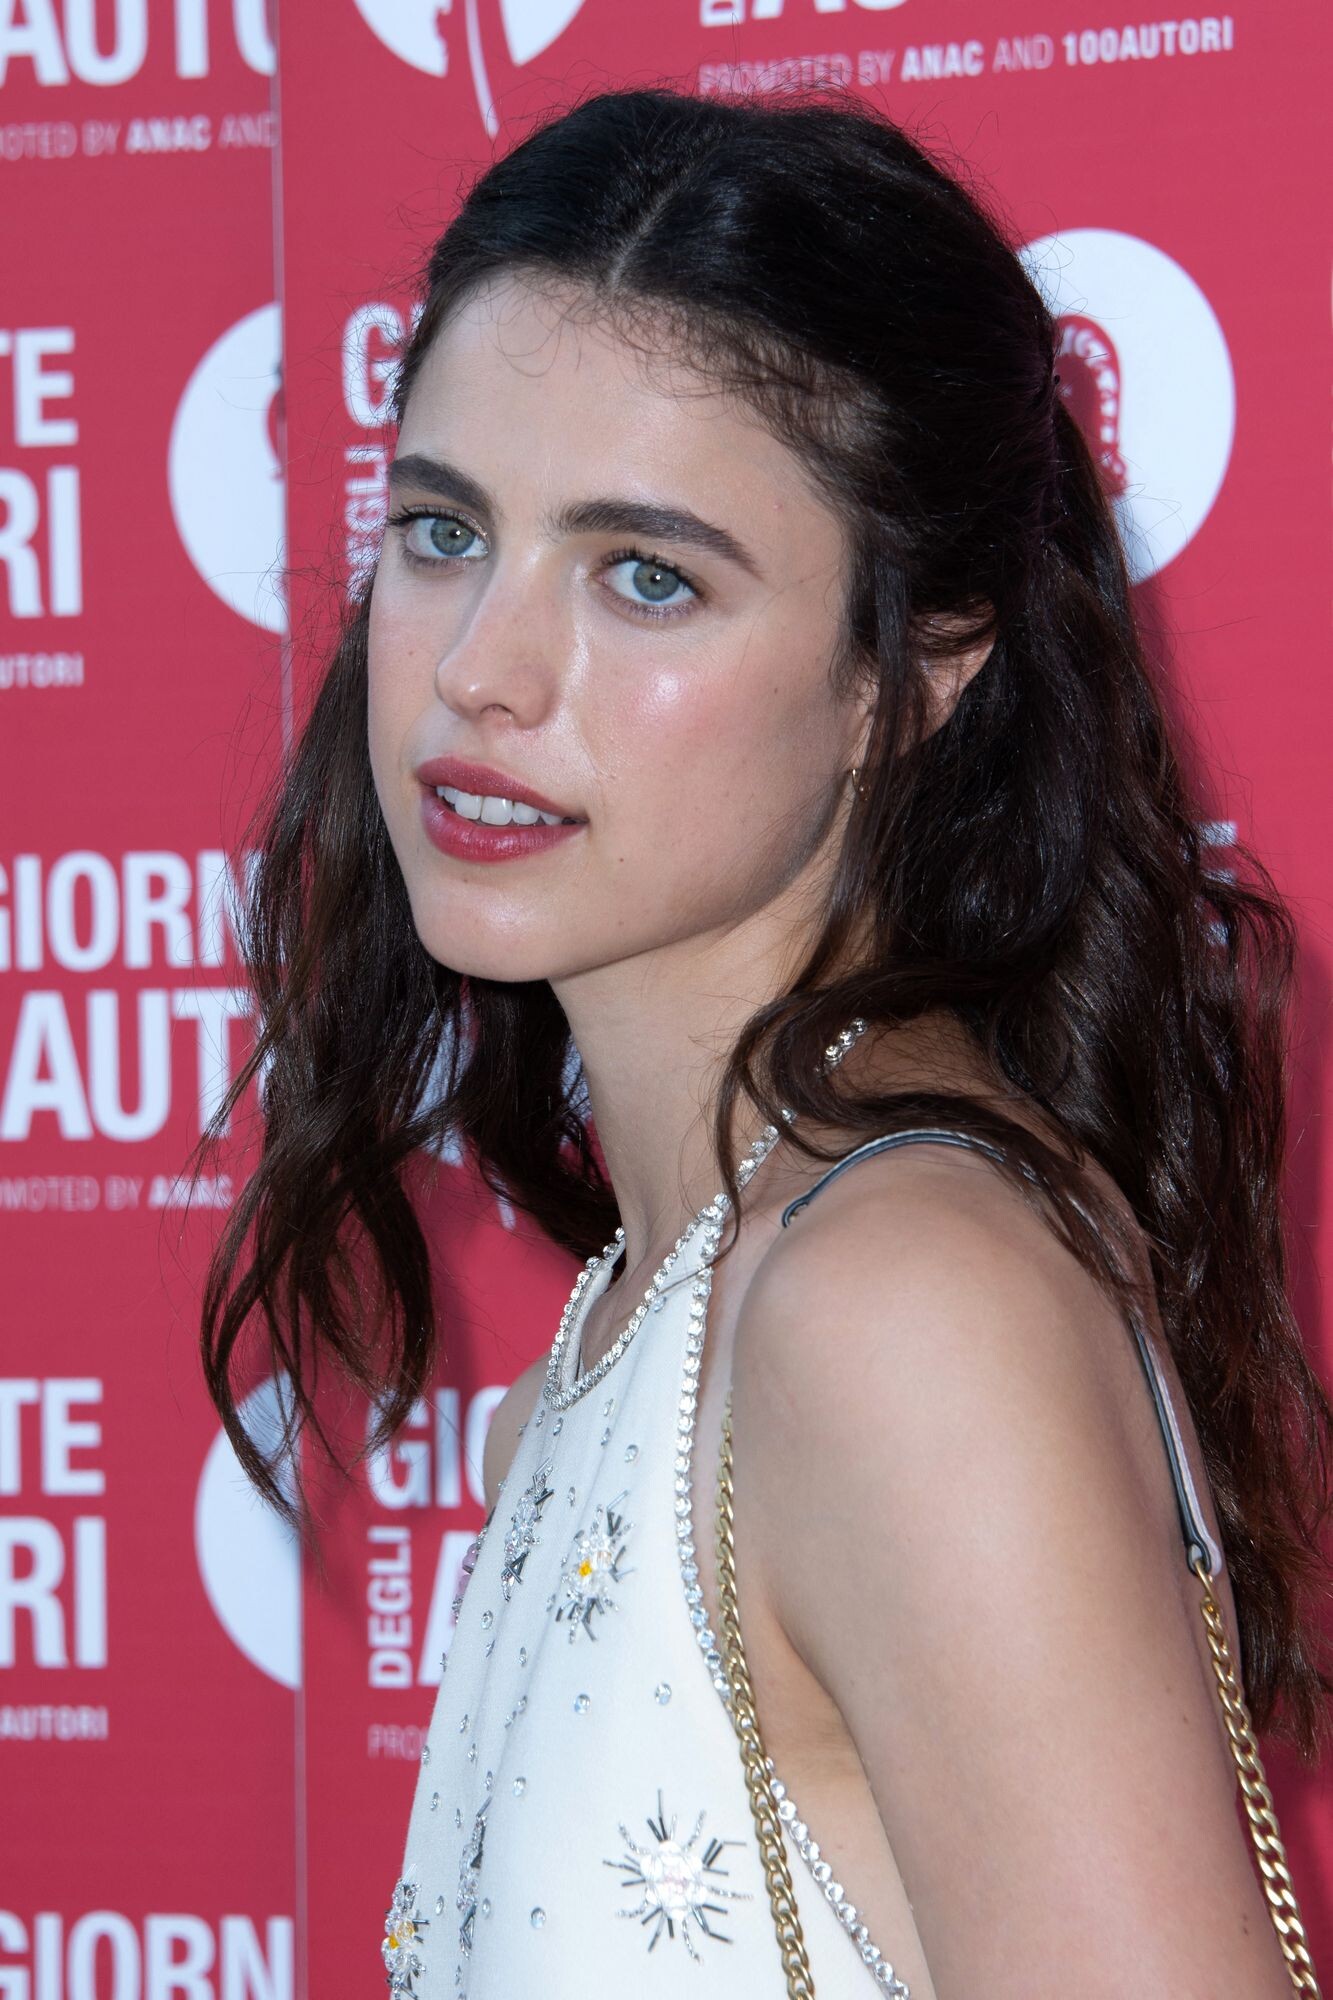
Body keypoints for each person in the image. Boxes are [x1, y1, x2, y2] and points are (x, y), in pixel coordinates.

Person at [201, 84, 1333, 1998]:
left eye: (646, 575)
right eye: (443, 529)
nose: (478, 668)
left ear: (918, 668)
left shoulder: (894, 1308)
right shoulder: (661, 1306)